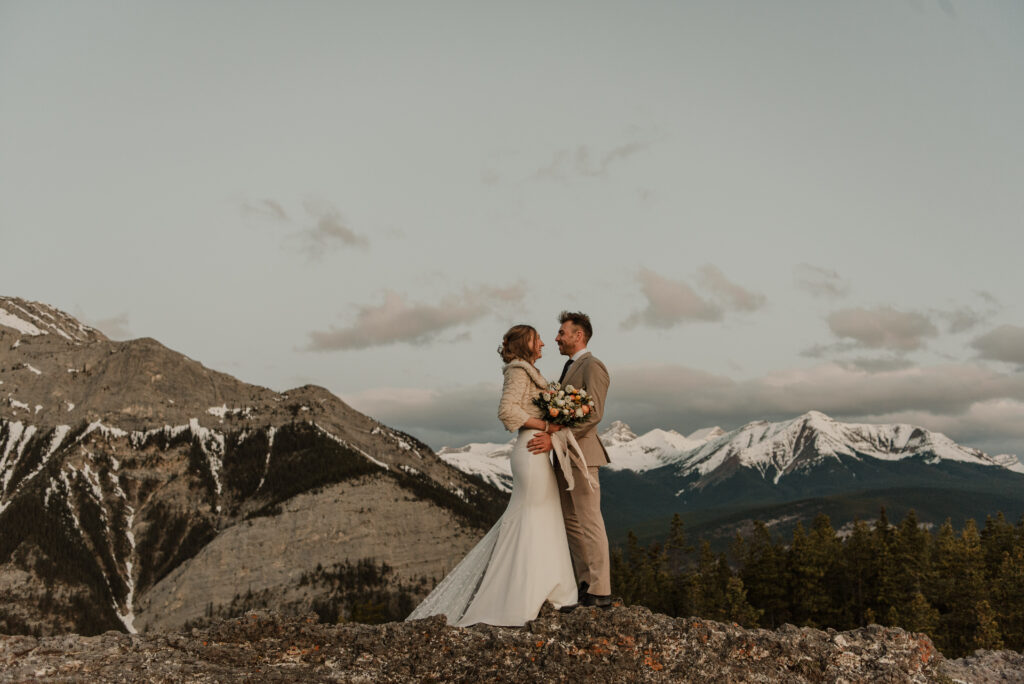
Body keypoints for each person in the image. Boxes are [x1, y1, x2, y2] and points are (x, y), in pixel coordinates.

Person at [405, 324, 578, 626]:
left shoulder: (530, 372)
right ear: (526, 344)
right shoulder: (517, 371)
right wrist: (547, 428)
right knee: (530, 516)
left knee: (545, 515)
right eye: (538, 340)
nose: (543, 344)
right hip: (531, 451)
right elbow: (507, 411)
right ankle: (519, 597)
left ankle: (554, 589)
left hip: (538, 452)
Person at [527, 311, 612, 608]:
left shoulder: (593, 366)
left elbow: (595, 413)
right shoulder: (570, 367)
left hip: (582, 455)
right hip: (564, 456)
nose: (556, 338)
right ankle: (587, 582)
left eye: (562, 332)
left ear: (579, 335)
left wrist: (556, 437)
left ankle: (601, 591)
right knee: (571, 521)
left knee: (589, 520)